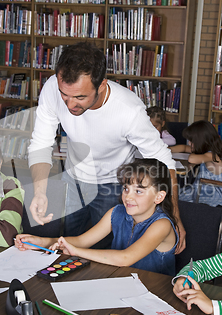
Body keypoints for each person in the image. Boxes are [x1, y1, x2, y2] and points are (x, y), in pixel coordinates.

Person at [27, 42, 185, 252]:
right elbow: (41, 142)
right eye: (64, 94)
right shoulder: (52, 89)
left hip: (113, 185)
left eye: (80, 97)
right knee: (67, 245)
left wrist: (175, 217)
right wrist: (40, 191)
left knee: (100, 250)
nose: (69, 104)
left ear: (101, 85)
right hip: (73, 178)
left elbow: (163, 161)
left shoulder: (129, 111)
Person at [16, 159, 179, 275]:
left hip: (155, 292)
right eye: (126, 188)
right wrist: (40, 242)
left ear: (159, 197)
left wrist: (77, 251)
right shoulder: (116, 212)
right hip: (120, 282)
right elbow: (81, 241)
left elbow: (125, 258)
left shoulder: (162, 225)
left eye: (139, 191)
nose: (128, 197)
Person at [175, 120, 222, 207]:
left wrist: (194, 151)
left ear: (200, 141)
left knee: (176, 199)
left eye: (192, 141)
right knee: (178, 195)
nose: (189, 143)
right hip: (207, 189)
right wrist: (166, 149)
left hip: (217, 195)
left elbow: (191, 159)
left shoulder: (212, 155)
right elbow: (184, 148)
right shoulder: (207, 152)